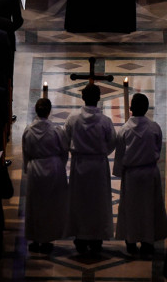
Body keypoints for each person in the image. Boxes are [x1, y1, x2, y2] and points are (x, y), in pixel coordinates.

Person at [113, 93, 167, 257]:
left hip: (132, 175)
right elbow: (158, 148)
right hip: (149, 172)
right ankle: (148, 242)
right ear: (146, 109)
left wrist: (120, 171)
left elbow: (120, 154)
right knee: (149, 207)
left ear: (131, 109)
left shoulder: (124, 130)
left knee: (131, 209)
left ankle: (131, 241)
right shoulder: (154, 127)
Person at [65, 83, 116, 254]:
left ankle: (80, 237)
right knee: (98, 202)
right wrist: (101, 153)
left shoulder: (73, 118)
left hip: (79, 164)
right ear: (99, 98)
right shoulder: (105, 121)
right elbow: (112, 142)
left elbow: (66, 139)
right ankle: (96, 238)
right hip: (98, 165)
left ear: (83, 98)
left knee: (80, 202)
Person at [22, 98, 68, 254]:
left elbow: (26, 151)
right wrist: (59, 165)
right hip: (53, 167)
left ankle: (35, 239)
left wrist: (29, 167)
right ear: (49, 111)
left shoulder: (28, 130)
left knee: (35, 205)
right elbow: (64, 151)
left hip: (35, 168)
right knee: (50, 205)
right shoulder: (56, 130)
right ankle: (48, 239)